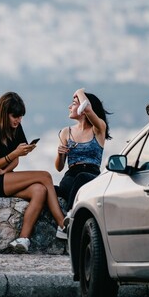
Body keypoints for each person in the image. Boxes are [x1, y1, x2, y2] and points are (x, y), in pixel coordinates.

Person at [0, 92, 66, 254]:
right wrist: (13, 154)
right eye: (15, 116)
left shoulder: (15, 128)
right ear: (4, 113)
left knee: (40, 190)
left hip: (2, 177)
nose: (18, 120)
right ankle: (63, 224)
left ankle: (23, 239)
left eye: (21, 116)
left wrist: (5, 169)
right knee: (45, 176)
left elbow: (15, 161)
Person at [54, 88, 111, 238]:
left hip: (90, 176)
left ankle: (70, 217)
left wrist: (79, 91)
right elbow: (59, 167)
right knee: (50, 188)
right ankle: (63, 222)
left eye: (73, 104)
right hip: (70, 177)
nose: (69, 107)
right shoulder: (66, 132)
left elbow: (87, 108)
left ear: (83, 108)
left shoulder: (98, 128)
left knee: (81, 177)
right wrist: (60, 154)